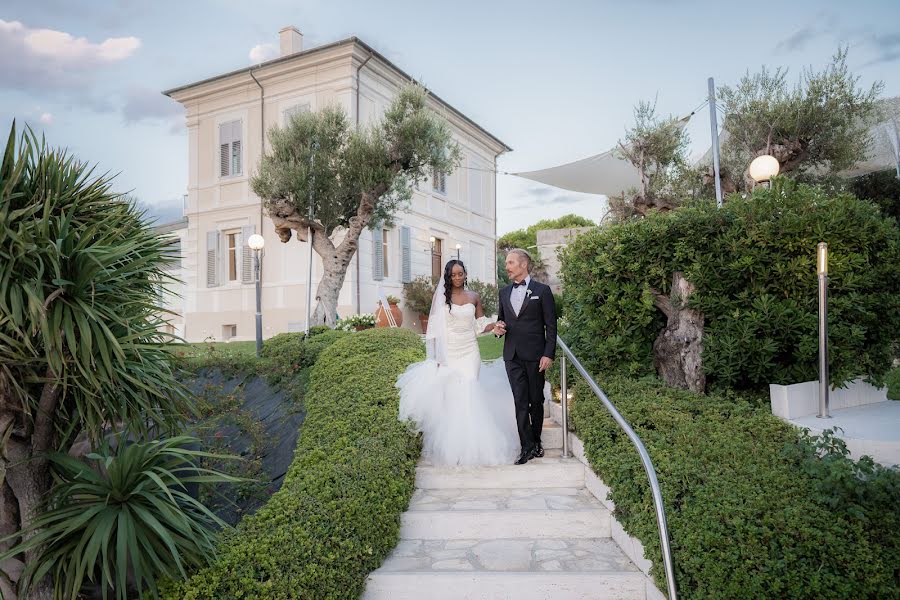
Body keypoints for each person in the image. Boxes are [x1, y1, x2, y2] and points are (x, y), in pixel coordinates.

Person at [397, 259, 520, 466]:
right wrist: (435, 358)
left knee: (470, 387)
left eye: (460, 273)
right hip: (449, 353)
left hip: (470, 351)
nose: (457, 278)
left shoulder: (474, 296)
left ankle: (476, 447)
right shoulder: (442, 298)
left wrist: (495, 326)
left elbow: (480, 325)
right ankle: (456, 448)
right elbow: (433, 331)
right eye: (453, 275)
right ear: (448, 276)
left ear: (465, 274)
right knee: (455, 396)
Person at [493, 249, 557, 465]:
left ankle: (536, 441)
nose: (507, 266)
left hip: (536, 356)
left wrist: (548, 354)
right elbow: (501, 321)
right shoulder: (503, 292)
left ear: (523, 265)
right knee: (520, 401)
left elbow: (551, 326)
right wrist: (498, 329)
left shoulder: (543, 291)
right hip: (512, 356)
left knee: (535, 401)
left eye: (510, 263)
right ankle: (526, 447)